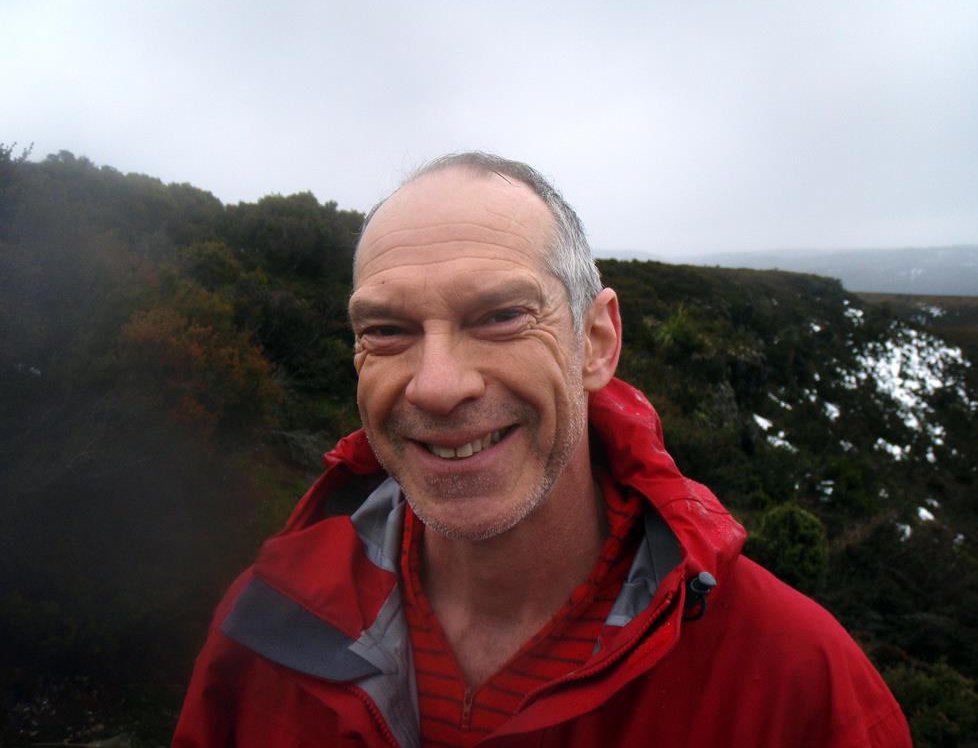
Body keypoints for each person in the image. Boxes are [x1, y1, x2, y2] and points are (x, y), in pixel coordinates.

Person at [174, 153, 911, 747]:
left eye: (499, 316)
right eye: (387, 331)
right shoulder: (270, 627)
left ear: (596, 341)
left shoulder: (795, 683)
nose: (437, 386)